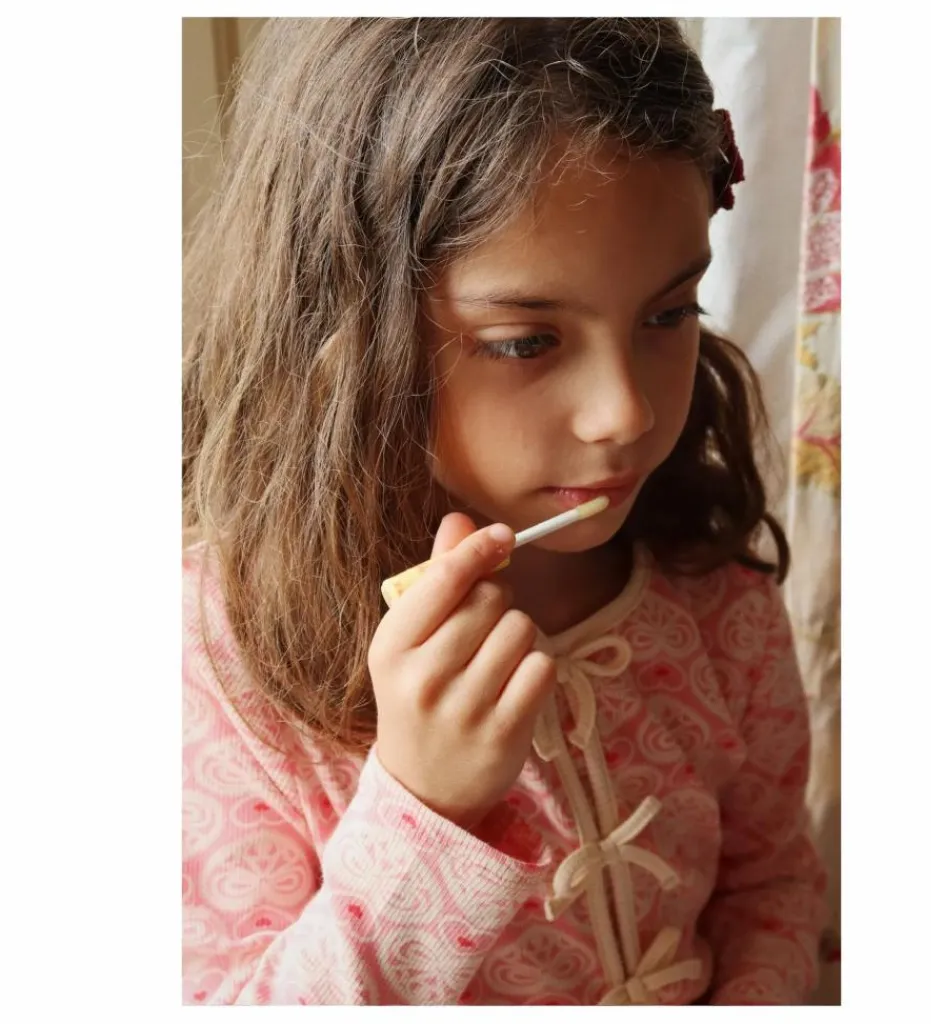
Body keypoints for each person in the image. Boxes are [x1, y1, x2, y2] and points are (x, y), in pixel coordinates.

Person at [182, 16, 827, 1005]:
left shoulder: (714, 593)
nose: (626, 413)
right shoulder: (221, 662)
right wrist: (424, 805)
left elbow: (769, 884)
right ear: (344, 335)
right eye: (527, 341)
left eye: (668, 314)